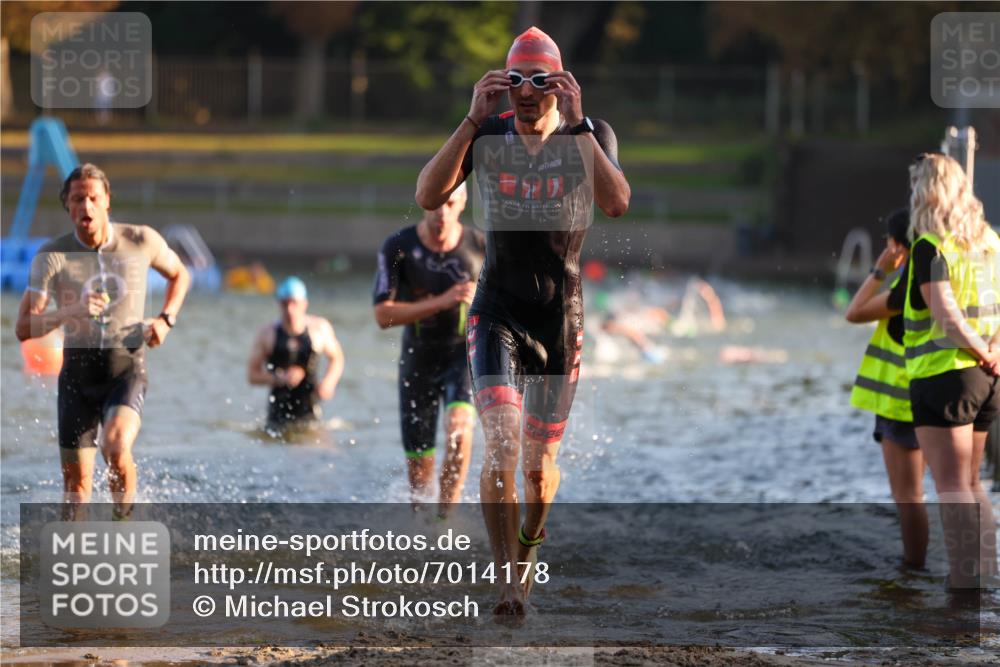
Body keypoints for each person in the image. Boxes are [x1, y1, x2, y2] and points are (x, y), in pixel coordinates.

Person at [416, 26, 631, 616]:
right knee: (502, 448)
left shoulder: (589, 134)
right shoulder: (487, 134)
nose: (527, 93)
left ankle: (530, 553)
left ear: (558, 84)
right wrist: (468, 121)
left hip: (559, 318)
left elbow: (616, 203)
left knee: (538, 476)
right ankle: (506, 580)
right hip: (498, 312)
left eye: (539, 81)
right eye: (516, 82)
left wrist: (584, 124)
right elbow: (427, 195)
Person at [14, 164, 191, 517]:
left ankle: (123, 525)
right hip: (77, 379)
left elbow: (180, 274)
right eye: (78, 199)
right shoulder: (52, 256)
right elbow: (23, 328)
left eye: (94, 197)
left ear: (107, 201)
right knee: (76, 491)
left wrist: (166, 319)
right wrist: (70, 312)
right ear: (68, 206)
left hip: (125, 369)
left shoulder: (140, 240)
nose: (87, 206)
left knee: (115, 445)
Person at [903, 154, 999, 588]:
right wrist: (994, 353)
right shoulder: (989, 241)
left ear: (926, 192)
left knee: (951, 486)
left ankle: (964, 584)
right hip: (989, 379)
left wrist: (979, 351)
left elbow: (944, 314)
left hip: (945, 377)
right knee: (973, 482)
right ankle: (984, 575)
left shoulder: (929, 245)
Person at [373, 183, 485, 517]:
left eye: (450, 203)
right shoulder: (398, 247)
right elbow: (382, 315)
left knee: (458, 430)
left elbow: (508, 304)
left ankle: (446, 520)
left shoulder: (481, 246)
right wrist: (444, 300)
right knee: (420, 473)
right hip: (418, 360)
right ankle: (422, 530)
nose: (442, 212)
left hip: (462, 357)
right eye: (436, 203)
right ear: (423, 203)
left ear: (462, 203)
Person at [845, 208, 928, 569]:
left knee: (908, 495)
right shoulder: (930, 280)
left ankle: (914, 567)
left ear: (897, 246)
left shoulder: (904, 289)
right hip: (922, 394)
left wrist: (880, 268)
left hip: (900, 401)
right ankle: (920, 565)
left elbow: (855, 311)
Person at [247, 277, 344, 435]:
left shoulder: (319, 329)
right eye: (285, 304)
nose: (290, 310)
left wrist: (329, 383)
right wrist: (280, 378)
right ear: (279, 304)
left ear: (304, 304)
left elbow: (337, 358)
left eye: (294, 303)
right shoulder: (267, 334)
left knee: (319, 447)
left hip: (310, 410)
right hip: (277, 412)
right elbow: (252, 375)